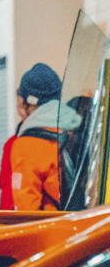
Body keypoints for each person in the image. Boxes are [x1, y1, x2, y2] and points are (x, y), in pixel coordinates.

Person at [9, 67, 84, 211]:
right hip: (92, 222)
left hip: (58, 228)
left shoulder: (27, 144)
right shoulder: (78, 125)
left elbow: (27, 210)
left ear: (25, 102)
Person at [0, 63, 60, 209]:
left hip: (50, 229)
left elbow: (24, 210)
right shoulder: (75, 135)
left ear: (21, 101)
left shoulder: (23, 145)